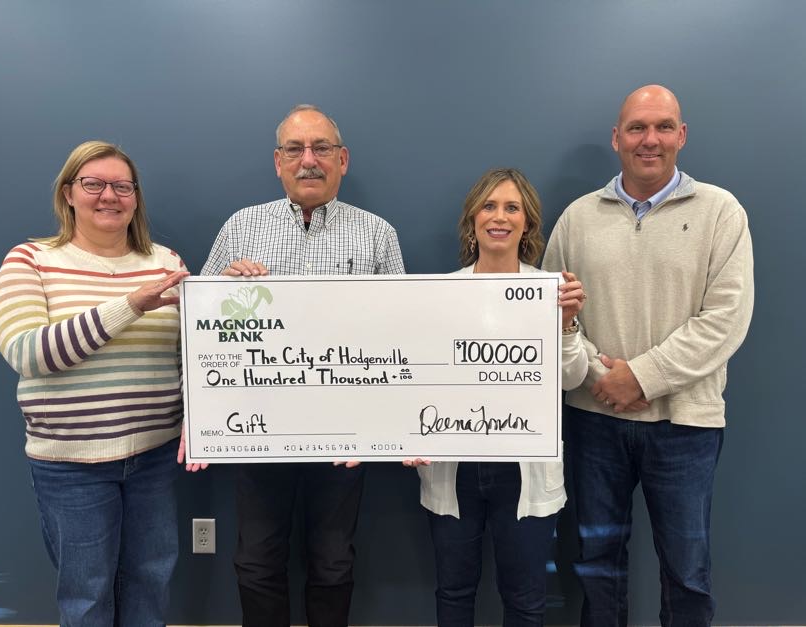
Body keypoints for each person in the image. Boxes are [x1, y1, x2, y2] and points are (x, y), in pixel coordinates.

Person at [542, 85, 754, 626]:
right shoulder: (577, 218)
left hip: (685, 425)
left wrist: (640, 376)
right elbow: (553, 313)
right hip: (595, 421)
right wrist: (598, 376)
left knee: (687, 570)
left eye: (663, 127)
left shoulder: (720, 213)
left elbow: (725, 319)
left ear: (681, 136)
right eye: (637, 128)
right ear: (617, 138)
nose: (650, 140)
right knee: (597, 565)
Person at [192, 104, 405, 627]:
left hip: (344, 436)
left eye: (321, 149)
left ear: (343, 159)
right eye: (295, 149)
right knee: (257, 559)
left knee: (333, 561)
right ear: (278, 161)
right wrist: (225, 291)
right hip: (257, 427)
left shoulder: (378, 234)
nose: (308, 160)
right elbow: (201, 332)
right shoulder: (241, 228)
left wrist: (383, 428)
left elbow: (401, 333)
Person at [0, 140, 189, 626]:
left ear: (135, 198)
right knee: (86, 597)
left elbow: (198, 355)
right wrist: (130, 306)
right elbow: (29, 353)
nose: (109, 196)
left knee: (151, 581)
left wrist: (234, 296)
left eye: (122, 186)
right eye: (93, 184)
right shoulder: (29, 260)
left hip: (155, 457)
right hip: (71, 466)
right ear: (68, 193)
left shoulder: (166, 262)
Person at [406, 168, 588, 626]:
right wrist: (406, 431)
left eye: (512, 208)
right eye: (489, 206)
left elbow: (571, 378)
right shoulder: (440, 294)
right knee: (453, 591)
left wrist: (566, 324)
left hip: (523, 471)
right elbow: (415, 375)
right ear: (472, 219)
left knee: (525, 598)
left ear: (527, 223)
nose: (499, 217)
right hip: (454, 468)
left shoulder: (550, 291)